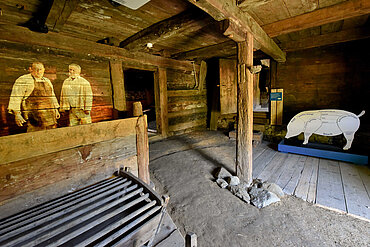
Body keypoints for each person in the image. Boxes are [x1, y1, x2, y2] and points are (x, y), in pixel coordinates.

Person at [8, 62, 60, 132]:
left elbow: (52, 96)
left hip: (49, 116)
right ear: (30, 69)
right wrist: (17, 114)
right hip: (34, 117)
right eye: (36, 69)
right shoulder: (23, 80)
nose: (38, 72)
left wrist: (55, 110)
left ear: (44, 70)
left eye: (40, 69)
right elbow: (16, 97)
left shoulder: (47, 81)